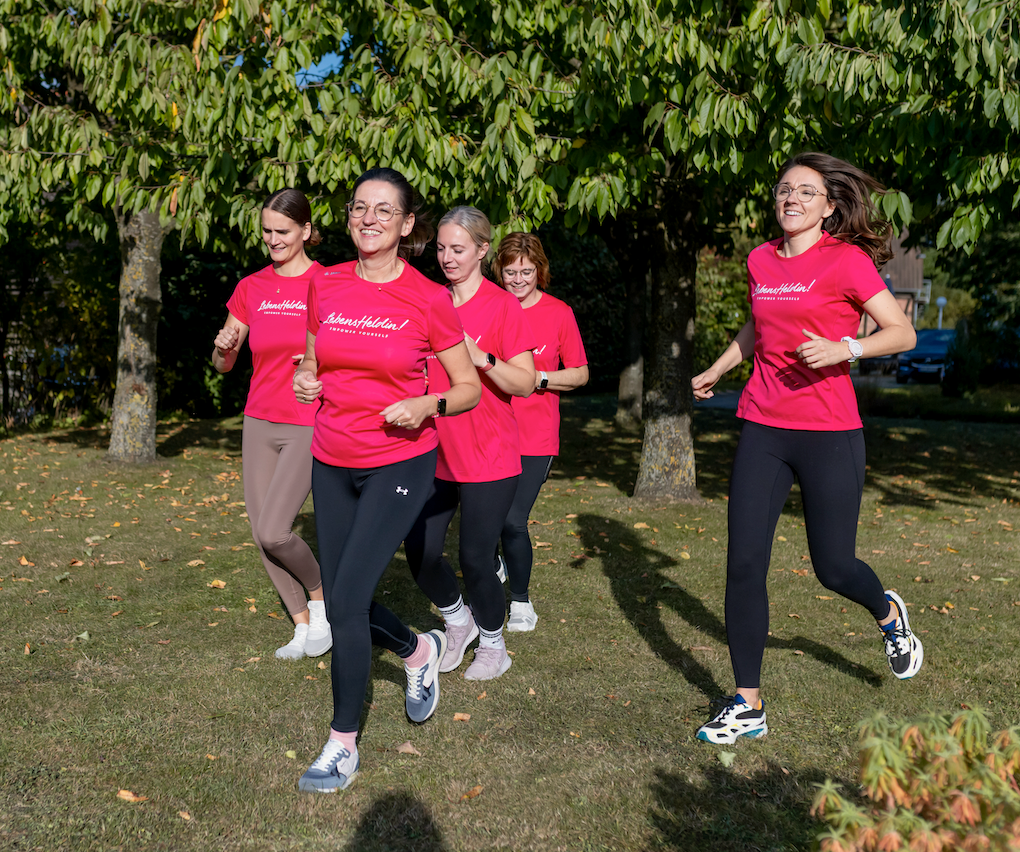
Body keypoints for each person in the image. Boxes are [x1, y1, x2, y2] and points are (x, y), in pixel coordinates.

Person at [690, 153, 924, 745]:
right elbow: (758, 325)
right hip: (764, 425)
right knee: (744, 563)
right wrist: (721, 366)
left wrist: (848, 349)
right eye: (784, 190)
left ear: (829, 205)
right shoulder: (760, 259)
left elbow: (901, 332)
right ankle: (748, 703)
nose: (791, 198)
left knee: (834, 566)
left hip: (830, 432)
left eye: (805, 191)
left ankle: (889, 615)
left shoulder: (846, 262)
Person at [292, 169, 481, 792]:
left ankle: (341, 743)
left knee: (342, 602)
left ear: (406, 226)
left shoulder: (429, 298)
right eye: (358, 208)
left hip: (399, 461)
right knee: (346, 595)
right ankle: (417, 651)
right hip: (331, 457)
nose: (368, 219)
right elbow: (316, 356)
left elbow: (467, 388)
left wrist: (427, 406)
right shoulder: (327, 283)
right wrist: (306, 379)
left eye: (383, 211)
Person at [404, 207, 536, 680]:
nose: (446, 257)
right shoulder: (427, 299)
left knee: (476, 558)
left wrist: (479, 356)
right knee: (419, 550)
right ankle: (459, 621)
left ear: (482, 250)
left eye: (457, 249)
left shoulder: (503, 306)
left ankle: (494, 644)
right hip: (431, 451)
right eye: (440, 248)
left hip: (489, 452)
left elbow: (524, 383)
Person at [212, 188, 331, 661]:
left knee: (275, 530)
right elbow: (223, 362)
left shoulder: (329, 283)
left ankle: (322, 603)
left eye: (283, 231)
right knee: (260, 528)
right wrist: (224, 347)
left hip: (307, 419)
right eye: (267, 231)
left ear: (305, 231)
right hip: (259, 418)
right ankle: (301, 627)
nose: (273, 239)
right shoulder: (251, 287)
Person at [493, 233, 589, 631]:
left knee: (513, 520)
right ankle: (492, 563)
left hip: (535, 435)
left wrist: (540, 378)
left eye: (526, 272)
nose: (517, 279)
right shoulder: (489, 308)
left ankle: (520, 602)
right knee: (487, 518)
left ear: (540, 271)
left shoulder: (558, 313)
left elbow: (581, 373)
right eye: (510, 271)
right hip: (489, 428)